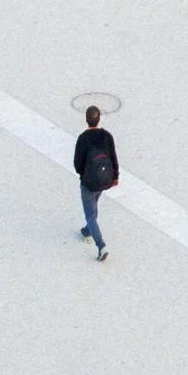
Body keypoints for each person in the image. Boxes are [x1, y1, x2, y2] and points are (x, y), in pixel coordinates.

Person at [74, 105, 119, 261]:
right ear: (99, 119)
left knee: (90, 214)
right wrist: (115, 177)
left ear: (86, 120)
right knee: (94, 204)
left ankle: (101, 246)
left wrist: (84, 175)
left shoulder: (83, 139)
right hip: (104, 180)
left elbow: (77, 164)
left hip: (89, 183)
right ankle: (87, 230)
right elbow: (113, 157)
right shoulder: (107, 136)